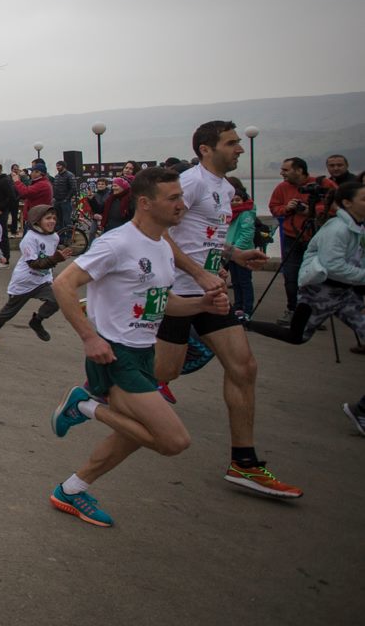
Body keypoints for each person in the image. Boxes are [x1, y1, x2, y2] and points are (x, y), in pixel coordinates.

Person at [47, 167, 229, 527]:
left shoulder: (162, 246)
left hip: (145, 354)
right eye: (173, 198)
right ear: (145, 203)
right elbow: (63, 284)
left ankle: (71, 489)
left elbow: (162, 302)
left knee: (132, 435)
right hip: (116, 355)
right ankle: (84, 405)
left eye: (181, 197)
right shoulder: (117, 243)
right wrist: (90, 337)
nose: (182, 205)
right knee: (173, 441)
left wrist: (203, 305)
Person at [154, 121, 302, 499]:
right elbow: (158, 232)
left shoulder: (224, 188)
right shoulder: (190, 183)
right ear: (206, 148)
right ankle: (96, 389)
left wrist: (233, 254)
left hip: (209, 291)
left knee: (243, 366)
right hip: (176, 291)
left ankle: (244, 463)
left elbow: (203, 237)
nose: (240, 149)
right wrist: (197, 273)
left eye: (238, 142)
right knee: (165, 372)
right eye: (231, 143)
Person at [244, 182, 365, 352]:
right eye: (363, 199)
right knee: (296, 336)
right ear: (347, 203)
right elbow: (333, 266)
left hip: (346, 293)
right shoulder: (337, 229)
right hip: (319, 293)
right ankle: (245, 324)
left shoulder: (357, 226)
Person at [0, 204, 72, 351]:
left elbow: (48, 255)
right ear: (37, 221)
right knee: (8, 312)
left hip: (42, 281)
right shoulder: (29, 238)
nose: (52, 221)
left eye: (54, 218)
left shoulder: (54, 237)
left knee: (57, 299)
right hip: (24, 281)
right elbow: (34, 264)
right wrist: (55, 259)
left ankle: (37, 321)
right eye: (48, 218)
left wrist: (57, 255)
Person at [268, 157, 335, 325]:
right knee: (291, 275)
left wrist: (311, 210)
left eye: (285, 170)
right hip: (292, 237)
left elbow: (338, 206)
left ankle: (314, 314)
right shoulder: (282, 187)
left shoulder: (322, 184)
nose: (282, 173)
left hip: (318, 237)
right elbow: (274, 208)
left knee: (317, 276)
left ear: (299, 170)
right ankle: (293, 310)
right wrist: (287, 208)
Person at [224, 177, 257, 316]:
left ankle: (247, 308)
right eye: (232, 200)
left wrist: (236, 250)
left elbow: (247, 233)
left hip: (242, 251)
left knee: (244, 282)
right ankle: (238, 306)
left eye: (237, 200)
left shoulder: (246, 212)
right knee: (236, 281)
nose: (234, 202)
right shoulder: (231, 213)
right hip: (231, 252)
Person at [0, 163, 18, 261]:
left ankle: (5, 258)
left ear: (0, 169)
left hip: (2, 212)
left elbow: (12, 197)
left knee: (2, 235)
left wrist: (1, 208)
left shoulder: (5, 180)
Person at [13, 161, 53, 226]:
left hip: (36, 218)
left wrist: (17, 181)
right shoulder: (42, 183)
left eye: (32, 172)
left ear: (38, 173)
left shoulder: (42, 184)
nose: (30, 174)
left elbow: (25, 192)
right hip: (35, 216)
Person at [52, 160, 79, 242]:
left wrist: (67, 198)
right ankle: (61, 238)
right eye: (57, 166)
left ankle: (69, 238)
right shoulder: (56, 176)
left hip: (65, 202)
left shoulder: (70, 175)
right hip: (57, 201)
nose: (57, 167)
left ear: (63, 166)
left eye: (59, 166)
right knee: (58, 221)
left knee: (67, 221)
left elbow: (73, 188)